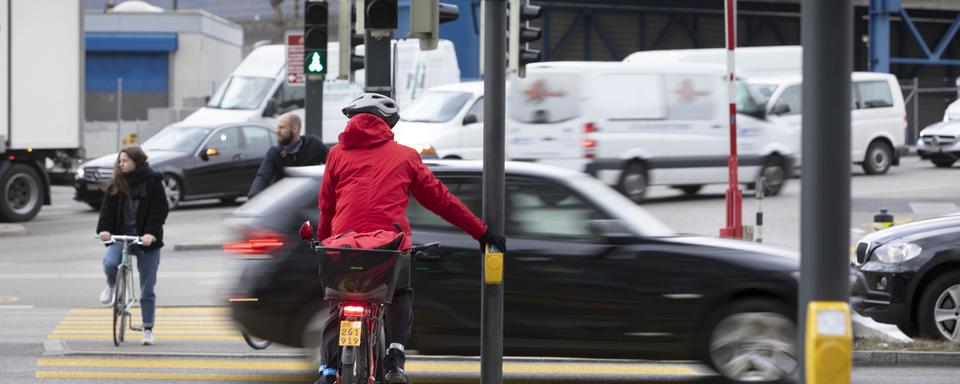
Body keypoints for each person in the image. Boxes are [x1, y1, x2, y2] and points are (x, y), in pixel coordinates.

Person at [315, 93, 505, 384]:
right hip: (388, 249)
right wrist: (480, 232)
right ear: (387, 124)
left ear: (353, 121)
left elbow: (326, 207)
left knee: (338, 300)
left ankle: (328, 372)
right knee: (400, 293)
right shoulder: (405, 156)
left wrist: (324, 245)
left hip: (344, 245)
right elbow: (441, 201)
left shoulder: (337, 155)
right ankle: (394, 358)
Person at [96, 146, 169, 346]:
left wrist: (151, 233)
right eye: (119, 161)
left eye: (125, 160)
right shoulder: (116, 183)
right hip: (122, 236)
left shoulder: (153, 181)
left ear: (137, 161)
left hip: (146, 239)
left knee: (147, 287)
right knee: (111, 262)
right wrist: (104, 230)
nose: (121, 164)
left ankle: (147, 328)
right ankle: (112, 284)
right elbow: (107, 211)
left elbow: (159, 210)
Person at [248, 112, 329, 198]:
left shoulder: (314, 144)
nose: (277, 131)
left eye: (281, 127)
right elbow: (263, 177)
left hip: (311, 200)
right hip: (285, 201)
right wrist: (252, 199)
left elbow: (333, 165)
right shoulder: (275, 152)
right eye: (277, 127)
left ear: (294, 129)